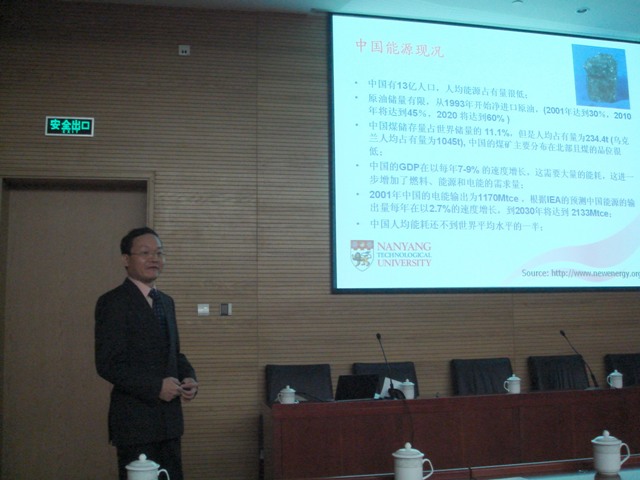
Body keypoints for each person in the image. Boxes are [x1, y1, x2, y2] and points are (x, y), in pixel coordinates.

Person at [95, 227, 198, 480]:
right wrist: (156, 387)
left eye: (159, 253)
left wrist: (188, 377)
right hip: (136, 423)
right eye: (145, 253)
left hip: (170, 422)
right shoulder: (113, 302)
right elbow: (108, 364)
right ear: (126, 259)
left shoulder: (166, 301)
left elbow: (174, 353)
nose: (154, 259)